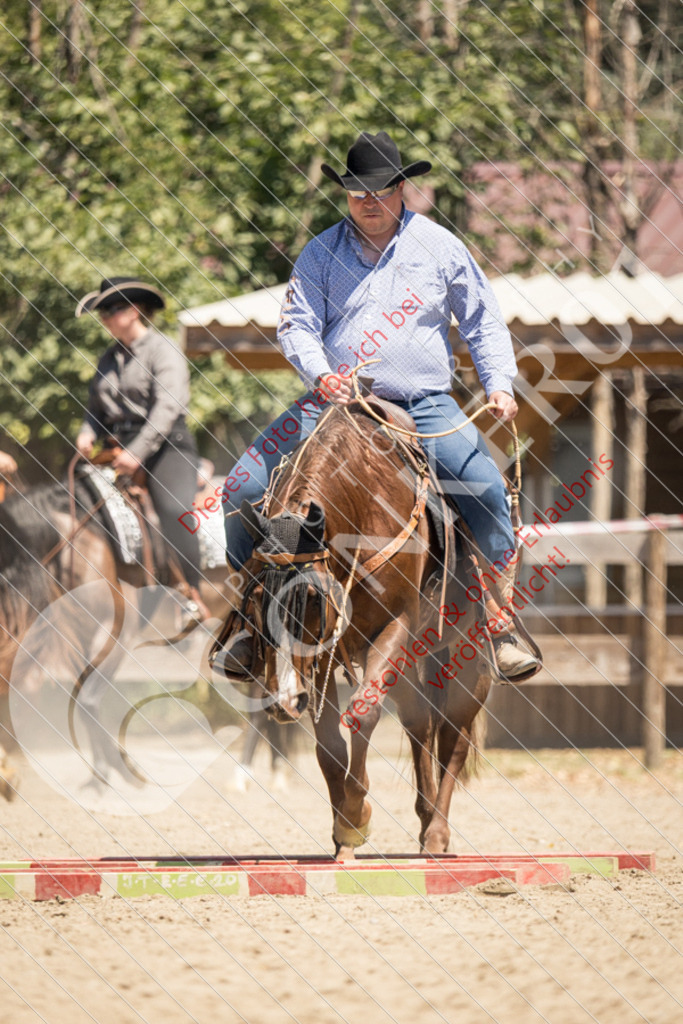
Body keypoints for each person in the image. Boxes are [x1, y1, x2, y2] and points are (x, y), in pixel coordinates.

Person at [220, 131, 539, 680]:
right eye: (356, 191)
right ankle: (249, 620)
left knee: (485, 488)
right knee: (241, 488)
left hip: (424, 403)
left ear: (401, 189)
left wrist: (499, 384)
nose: (367, 201)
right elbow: (296, 325)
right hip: (332, 403)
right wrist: (323, 375)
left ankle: (499, 620)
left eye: (379, 190)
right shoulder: (320, 252)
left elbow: (483, 321)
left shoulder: (440, 247)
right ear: (345, 194)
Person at [75, 276, 209, 620]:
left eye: (111, 310)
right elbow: (95, 410)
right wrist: (87, 432)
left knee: (174, 509)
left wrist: (136, 452)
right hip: (116, 449)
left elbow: (168, 407)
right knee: (73, 500)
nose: (104, 318)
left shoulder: (163, 349)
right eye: (102, 312)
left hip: (167, 446)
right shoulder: (108, 358)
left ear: (134, 311)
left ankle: (191, 594)